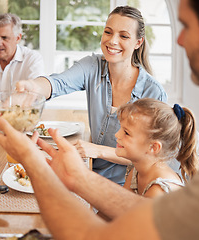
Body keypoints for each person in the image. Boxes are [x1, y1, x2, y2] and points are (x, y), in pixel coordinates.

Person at [0, 0, 199, 239]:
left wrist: (33, 161)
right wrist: (35, 87)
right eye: (108, 32)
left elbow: (95, 234)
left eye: (187, 27)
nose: (180, 40)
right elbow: (148, 215)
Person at [16, 6, 167, 185]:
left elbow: (147, 157)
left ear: (138, 42)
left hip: (126, 185)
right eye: (108, 32)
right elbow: (58, 83)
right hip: (88, 170)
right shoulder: (92, 66)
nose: (112, 41)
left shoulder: (153, 92)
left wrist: (96, 150)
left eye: (124, 36)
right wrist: (32, 86)